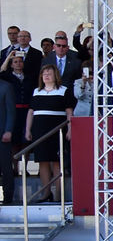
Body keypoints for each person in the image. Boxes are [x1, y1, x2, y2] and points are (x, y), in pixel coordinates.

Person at [25, 65, 72, 203]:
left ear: (55, 75)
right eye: (44, 73)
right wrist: (27, 130)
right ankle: (46, 193)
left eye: (49, 73)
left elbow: (69, 112)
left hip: (57, 131)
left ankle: (58, 194)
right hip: (39, 131)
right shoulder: (36, 91)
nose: (46, 76)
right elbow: (31, 112)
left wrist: (70, 129)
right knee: (43, 161)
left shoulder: (64, 91)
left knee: (56, 162)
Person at [0, 77, 15, 204]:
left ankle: (8, 198)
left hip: (2, 134)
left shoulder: (6, 86)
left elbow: (11, 111)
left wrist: (8, 130)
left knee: (6, 167)